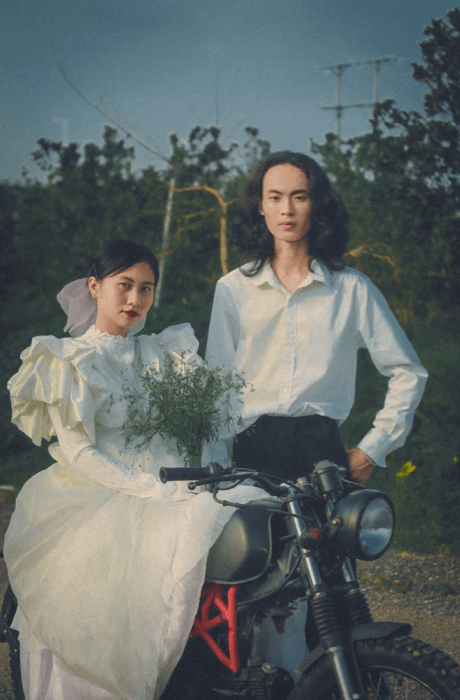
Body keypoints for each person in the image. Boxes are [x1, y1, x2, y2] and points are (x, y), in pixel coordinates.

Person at [3, 239, 268, 700]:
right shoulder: (71, 360)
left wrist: (202, 473)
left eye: (146, 289)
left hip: (175, 487)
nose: (135, 300)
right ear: (94, 286)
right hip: (101, 494)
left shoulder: (165, 353)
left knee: (256, 516)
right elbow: (82, 453)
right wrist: (149, 489)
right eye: (124, 286)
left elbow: (200, 429)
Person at [204, 152, 428, 485]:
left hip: (322, 452)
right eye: (275, 197)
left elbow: (408, 372)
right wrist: (217, 469)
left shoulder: (353, 289)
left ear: (316, 204)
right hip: (251, 453)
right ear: (260, 206)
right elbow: (215, 388)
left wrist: (372, 449)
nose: (287, 210)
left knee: (337, 538)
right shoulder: (233, 289)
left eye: (300, 197)